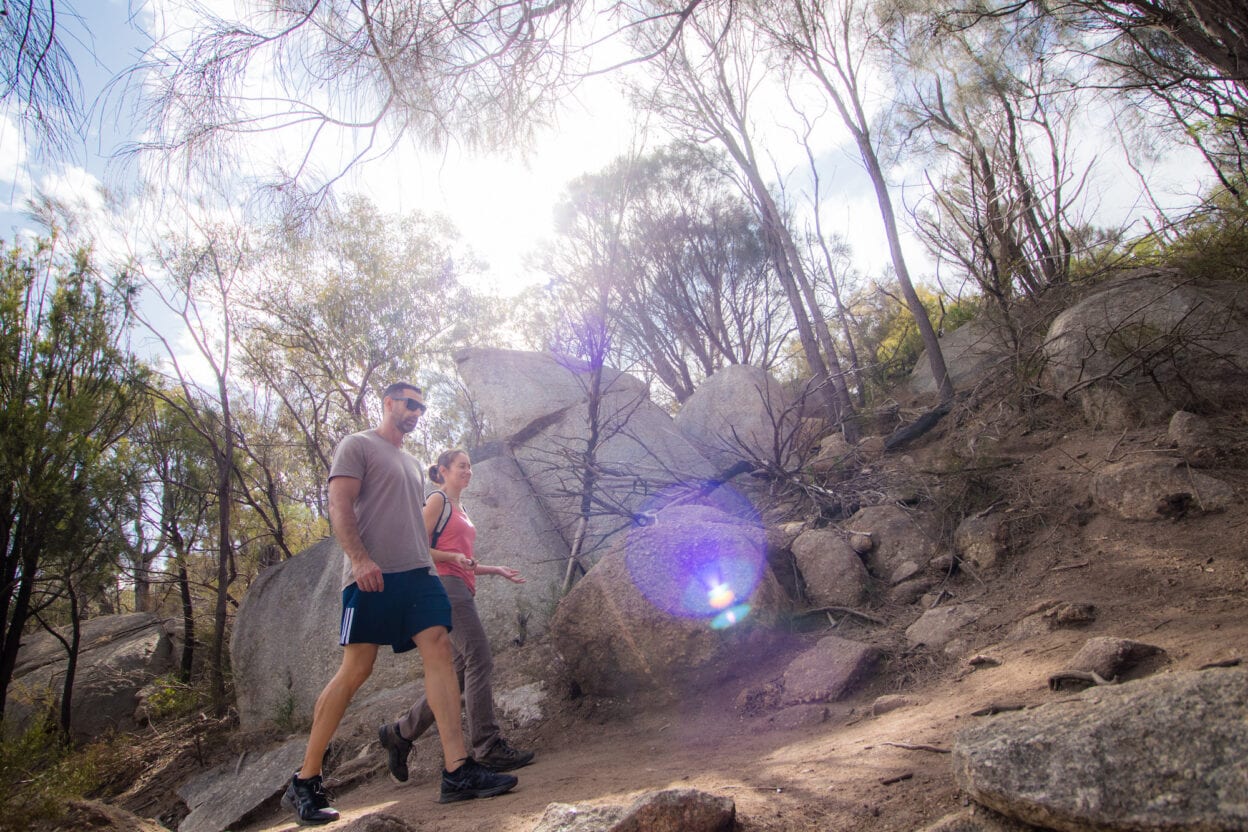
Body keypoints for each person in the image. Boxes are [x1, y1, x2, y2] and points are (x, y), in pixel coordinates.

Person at [283, 384, 519, 826]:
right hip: (370, 575)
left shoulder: (412, 464)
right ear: (388, 403)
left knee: (440, 652)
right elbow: (339, 502)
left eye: (421, 407)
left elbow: (412, 527)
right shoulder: (358, 445)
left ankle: (457, 770)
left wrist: (441, 566)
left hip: (418, 576)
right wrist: (359, 558)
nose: (416, 412)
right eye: (409, 404)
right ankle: (305, 779)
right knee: (357, 669)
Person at [377, 449, 536, 783]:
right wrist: (451, 556)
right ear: (444, 470)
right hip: (444, 587)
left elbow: (464, 559)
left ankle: (401, 732)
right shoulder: (438, 500)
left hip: (460, 586)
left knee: (458, 670)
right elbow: (415, 547)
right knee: (480, 657)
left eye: (470, 466)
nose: (468, 471)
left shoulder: (462, 508)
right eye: (462, 466)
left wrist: (496, 570)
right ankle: (487, 746)